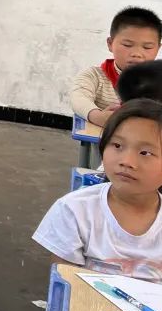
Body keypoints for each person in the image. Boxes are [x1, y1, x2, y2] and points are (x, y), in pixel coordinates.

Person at [35, 98, 162, 280]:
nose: (127, 161)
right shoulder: (75, 210)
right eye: (117, 145)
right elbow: (66, 285)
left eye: (145, 153)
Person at [72, 7, 161, 127]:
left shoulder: (158, 80)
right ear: (110, 44)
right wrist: (97, 116)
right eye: (127, 45)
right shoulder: (95, 76)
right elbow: (78, 98)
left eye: (147, 47)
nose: (137, 54)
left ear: (158, 48)